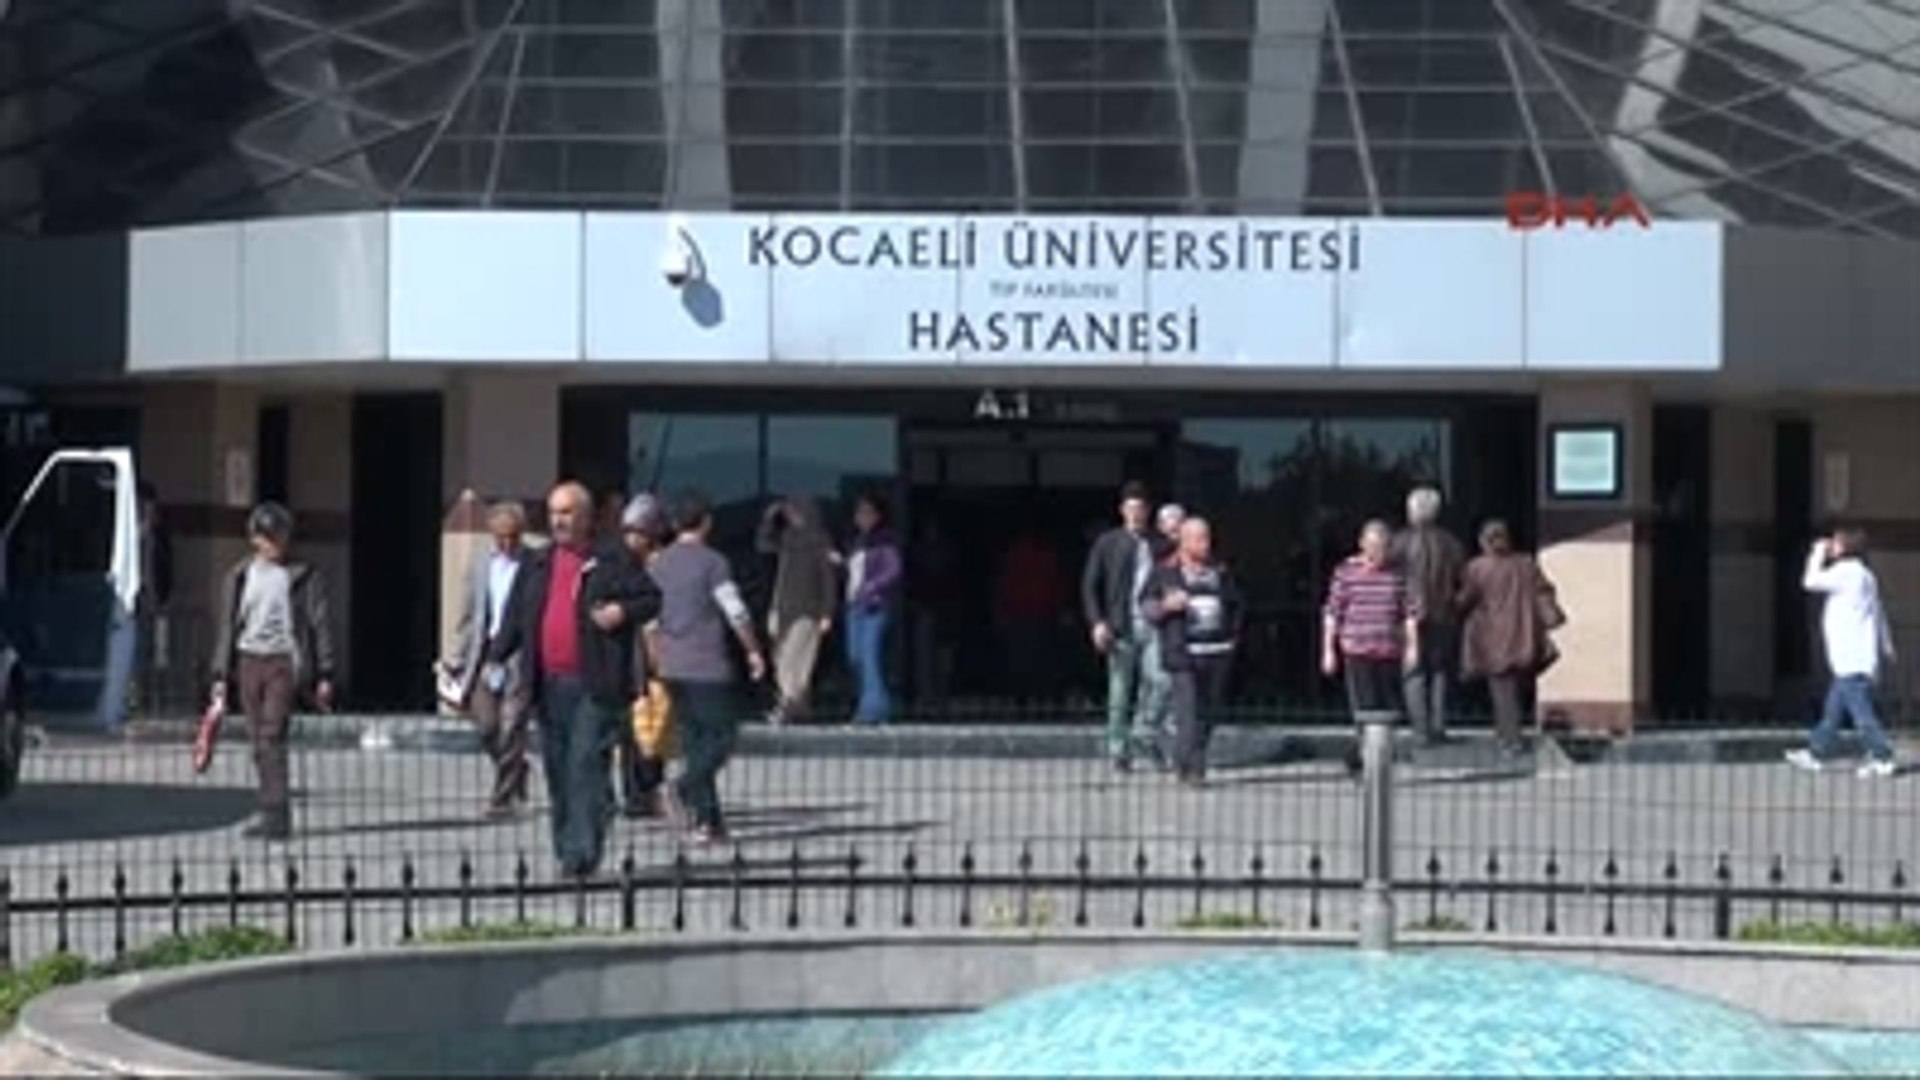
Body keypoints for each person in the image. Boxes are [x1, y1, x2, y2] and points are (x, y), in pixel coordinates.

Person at [490, 481, 661, 877]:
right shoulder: (538, 562)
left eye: (567, 512)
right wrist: (491, 660)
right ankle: (567, 845)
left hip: (594, 684)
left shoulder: (612, 558)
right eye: (554, 513)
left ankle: (581, 857)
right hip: (549, 684)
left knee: (585, 764)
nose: (558, 521)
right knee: (558, 770)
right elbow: (515, 618)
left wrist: (620, 612)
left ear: (586, 517)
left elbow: (651, 598)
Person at [202, 502, 336, 841]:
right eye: (268, 538)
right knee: (257, 738)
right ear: (255, 540)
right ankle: (267, 806)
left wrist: (325, 671)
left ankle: (277, 812)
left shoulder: (303, 576)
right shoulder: (239, 576)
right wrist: (220, 674)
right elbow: (228, 626)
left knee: (272, 733)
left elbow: (319, 622)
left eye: (280, 537)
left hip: (283, 660)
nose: (275, 545)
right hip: (248, 659)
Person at [653, 490, 767, 843]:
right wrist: (753, 650)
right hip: (706, 663)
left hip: (670, 662)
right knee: (721, 736)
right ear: (706, 522)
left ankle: (709, 821)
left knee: (694, 740)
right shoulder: (714, 562)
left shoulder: (659, 563)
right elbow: (735, 610)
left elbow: (651, 616)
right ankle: (681, 787)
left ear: (675, 523)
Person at [440, 500, 532, 818]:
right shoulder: (482, 564)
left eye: (512, 536)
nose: (506, 543)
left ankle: (502, 798)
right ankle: (517, 768)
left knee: (512, 725)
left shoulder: (533, 564)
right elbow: (468, 613)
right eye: (500, 536)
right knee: (487, 726)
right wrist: (457, 657)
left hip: (518, 652)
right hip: (484, 652)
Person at [1787, 527, 1900, 778]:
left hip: (1850, 657)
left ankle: (1883, 756)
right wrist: (1886, 644)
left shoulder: (1846, 572)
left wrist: (1817, 553)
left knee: (1862, 713)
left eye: (1836, 542)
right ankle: (1816, 753)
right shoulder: (1866, 575)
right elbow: (1878, 612)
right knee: (1833, 711)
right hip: (1855, 657)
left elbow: (1810, 581)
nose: (1832, 545)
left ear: (1846, 548)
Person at [1144, 517, 1241, 786]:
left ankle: (1196, 760)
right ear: (1184, 541)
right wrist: (1166, 606)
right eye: (1199, 539)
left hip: (1217, 650)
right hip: (1183, 652)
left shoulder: (1220, 570)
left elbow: (1235, 603)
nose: (1205, 544)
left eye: (1207, 537)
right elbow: (1146, 605)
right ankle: (1187, 766)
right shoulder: (1164, 571)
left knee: (1208, 713)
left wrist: (1233, 637)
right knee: (1187, 711)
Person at [1082, 481, 1168, 772]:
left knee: (1161, 680)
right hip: (1120, 626)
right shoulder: (1108, 543)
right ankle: (1118, 748)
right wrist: (1097, 621)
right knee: (1120, 689)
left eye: (1140, 509)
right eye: (1130, 509)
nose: (1135, 514)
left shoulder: (1160, 544)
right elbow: (1090, 584)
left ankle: (1145, 731)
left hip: (1154, 624)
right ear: (1122, 511)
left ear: (1148, 511)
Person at [1323, 520, 1421, 773]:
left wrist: (1413, 648)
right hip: (1358, 651)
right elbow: (1333, 612)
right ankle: (1365, 758)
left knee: (1389, 710)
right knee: (1365, 710)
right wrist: (1328, 650)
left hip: (1389, 651)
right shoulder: (1346, 572)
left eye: (1383, 548)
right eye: (1373, 547)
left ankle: (1376, 757)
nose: (1377, 554)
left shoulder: (1398, 574)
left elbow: (1409, 613)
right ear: (1362, 545)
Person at [1457, 520, 1560, 756]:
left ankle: (1510, 739)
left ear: (1483, 541)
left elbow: (1465, 600)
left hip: (1492, 639)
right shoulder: (1526, 564)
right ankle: (1507, 735)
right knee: (1515, 689)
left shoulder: (1477, 568)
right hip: (1524, 636)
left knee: (1501, 691)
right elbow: (1544, 590)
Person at [1390, 486, 1466, 745]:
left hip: (1410, 615)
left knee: (1413, 671)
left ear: (1411, 510)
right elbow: (1464, 580)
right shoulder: (1451, 543)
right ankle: (1438, 726)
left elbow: (1390, 577)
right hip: (1444, 614)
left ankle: (1421, 730)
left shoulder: (1399, 542)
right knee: (1439, 671)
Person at [756, 495, 837, 726]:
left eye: (795, 512)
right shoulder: (787, 539)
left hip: (808, 610)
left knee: (796, 658)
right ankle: (798, 707)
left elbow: (828, 579)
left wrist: (827, 612)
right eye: (790, 513)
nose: (792, 517)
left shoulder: (820, 542)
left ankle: (788, 704)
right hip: (781, 608)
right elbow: (763, 544)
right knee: (780, 658)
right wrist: (769, 518)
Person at [618, 493, 674, 812]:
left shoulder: (661, 566)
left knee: (652, 727)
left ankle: (649, 788)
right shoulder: (625, 565)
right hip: (627, 655)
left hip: (651, 655)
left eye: (636, 532)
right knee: (631, 727)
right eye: (628, 532)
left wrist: (658, 655)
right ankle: (634, 793)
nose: (630, 539)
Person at [843, 494, 902, 725]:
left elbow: (893, 569)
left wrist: (871, 587)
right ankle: (880, 703)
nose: (862, 517)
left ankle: (871, 710)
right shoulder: (856, 541)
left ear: (878, 515)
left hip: (874, 606)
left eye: (868, 512)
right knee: (855, 656)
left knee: (869, 654)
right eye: (859, 512)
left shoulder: (885, 540)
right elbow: (853, 571)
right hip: (853, 606)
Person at [908, 516, 959, 709]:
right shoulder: (919, 553)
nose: (931, 532)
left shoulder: (947, 553)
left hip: (943, 611)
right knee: (925, 656)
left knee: (942, 657)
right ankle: (928, 697)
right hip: (926, 610)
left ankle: (939, 697)